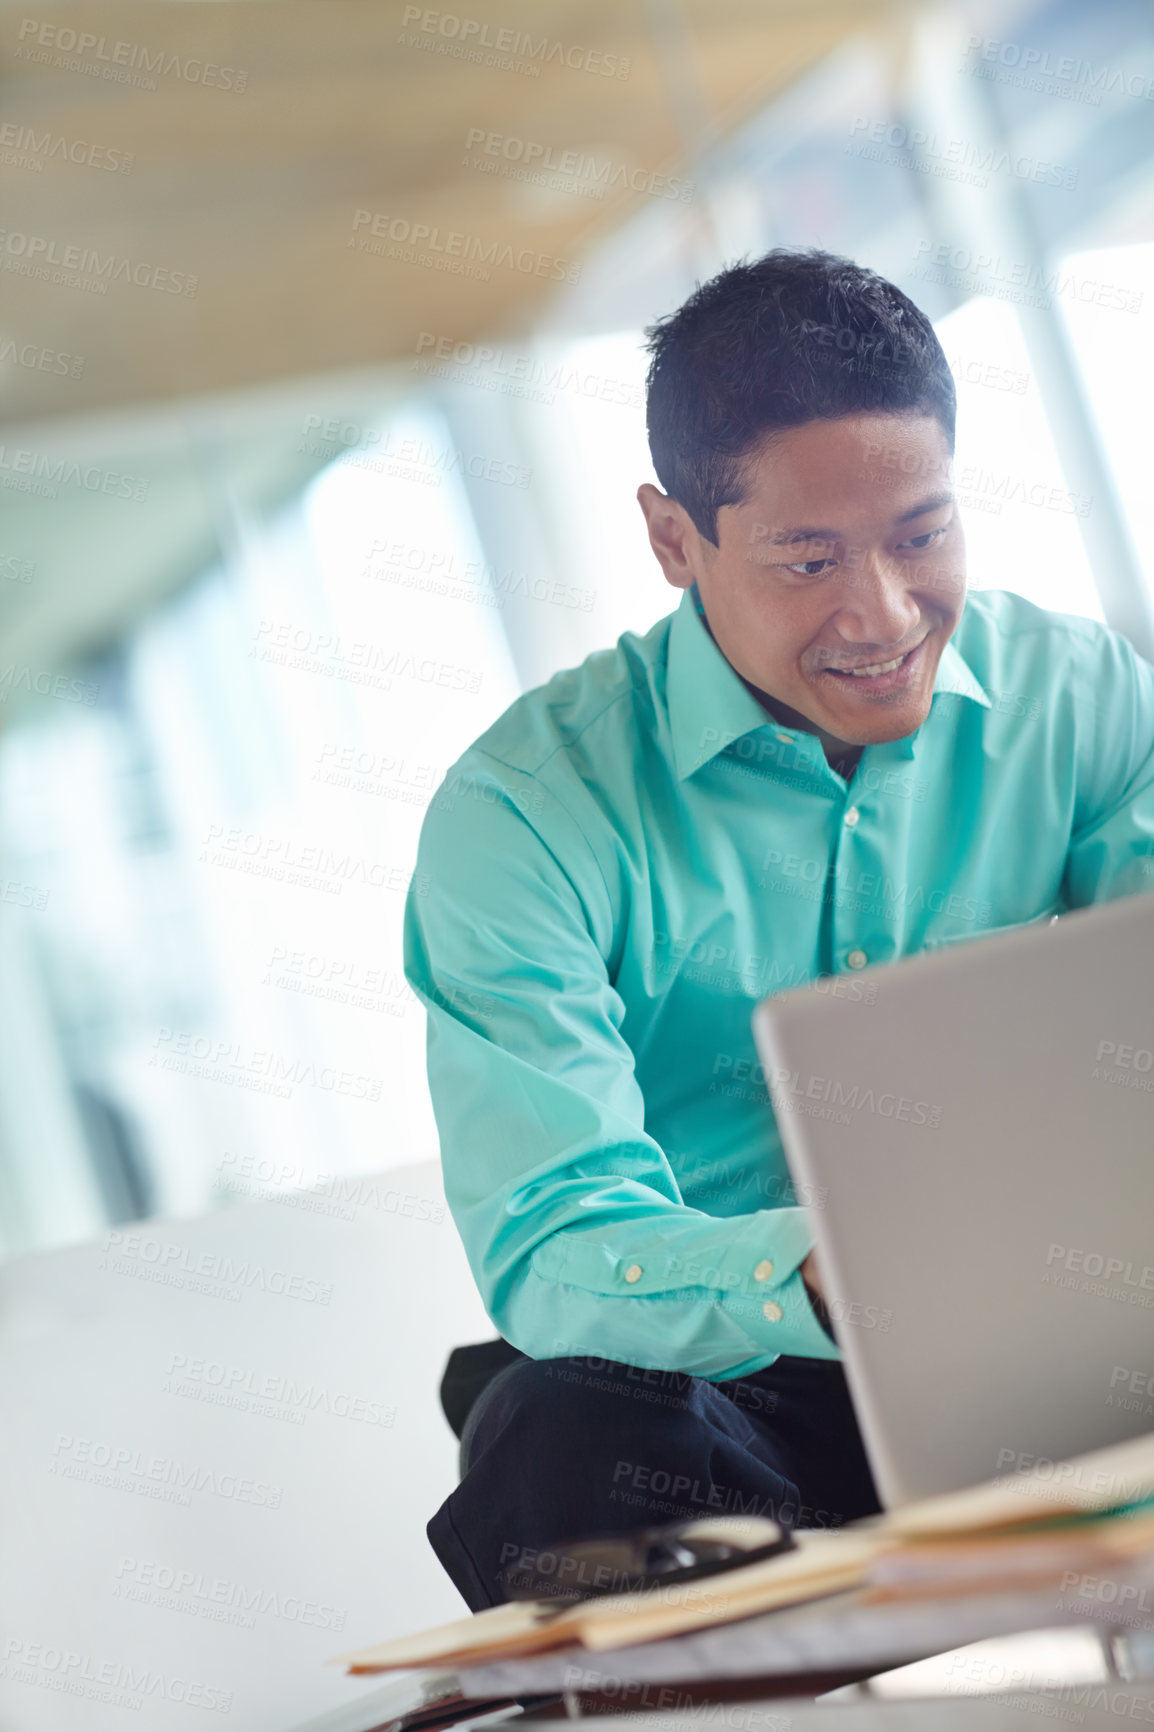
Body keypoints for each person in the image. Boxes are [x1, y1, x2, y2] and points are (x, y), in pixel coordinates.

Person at [402, 247, 1154, 1611]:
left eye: (919, 534)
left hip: (1082, 1344)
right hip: (758, 1417)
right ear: (671, 538)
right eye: (805, 558)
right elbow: (553, 1248)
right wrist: (825, 1267)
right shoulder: (522, 815)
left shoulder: (1081, 698)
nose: (879, 614)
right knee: (554, 1437)